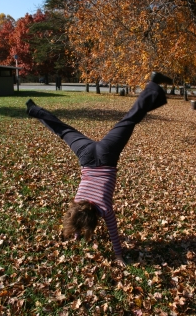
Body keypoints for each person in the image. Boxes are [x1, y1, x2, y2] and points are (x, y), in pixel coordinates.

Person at [26, 71, 172, 266]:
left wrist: (119, 256)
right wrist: (76, 232)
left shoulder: (104, 210)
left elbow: (114, 233)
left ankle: (154, 86)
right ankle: (33, 110)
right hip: (86, 154)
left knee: (129, 120)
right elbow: (76, 214)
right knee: (63, 130)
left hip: (106, 156)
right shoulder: (77, 201)